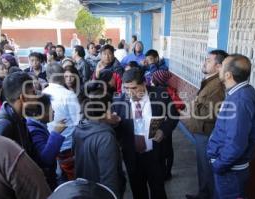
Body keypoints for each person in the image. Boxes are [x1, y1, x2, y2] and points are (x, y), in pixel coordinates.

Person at [0, 78, 51, 199]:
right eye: (34, 93)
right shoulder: (3, 128)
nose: (37, 98)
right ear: (23, 98)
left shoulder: (19, 119)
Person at [112, 68, 179, 199]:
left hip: (155, 154)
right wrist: (114, 124)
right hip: (132, 157)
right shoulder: (118, 102)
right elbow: (117, 130)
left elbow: (173, 116)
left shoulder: (160, 94)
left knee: (158, 190)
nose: (130, 93)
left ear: (144, 83)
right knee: (138, 192)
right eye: (126, 88)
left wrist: (164, 130)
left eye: (134, 88)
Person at [207, 54, 255, 199]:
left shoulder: (239, 99)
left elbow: (236, 143)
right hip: (231, 169)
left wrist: (219, 165)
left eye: (221, 66)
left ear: (228, 75)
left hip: (230, 171)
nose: (218, 68)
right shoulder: (244, 91)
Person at [183, 50, 228, 199]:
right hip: (201, 131)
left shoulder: (217, 86)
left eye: (209, 60)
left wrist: (192, 112)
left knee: (207, 168)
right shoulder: (210, 81)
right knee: (203, 167)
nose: (204, 62)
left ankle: (207, 194)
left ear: (218, 66)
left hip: (206, 133)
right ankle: (203, 193)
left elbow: (213, 113)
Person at [73, 82, 125, 198]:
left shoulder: (79, 129)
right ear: (106, 111)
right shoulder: (105, 138)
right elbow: (109, 177)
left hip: (84, 191)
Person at [0, 72, 37, 160]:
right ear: (23, 98)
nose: (37, 96)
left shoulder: (19, 117)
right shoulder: (4, 124)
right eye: (33, 93)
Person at [43, 62, 81, 181]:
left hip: (49, 144)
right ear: (62, 76)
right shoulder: (68, 95)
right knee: (72, 179)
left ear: (47, 77)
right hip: (67, 145)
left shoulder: (43, 94)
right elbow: (78, 121)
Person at [26, 94, 66, 190]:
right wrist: (56, 133)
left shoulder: (37, 125)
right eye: (50, 108)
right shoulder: (34, 131)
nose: (53, 111)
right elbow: (45, 159)